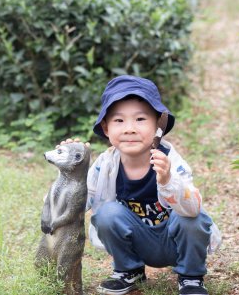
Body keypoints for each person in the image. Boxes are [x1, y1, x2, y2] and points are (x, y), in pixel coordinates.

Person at [61, 75, 221, 295]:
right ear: (106, 128)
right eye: (119, 121)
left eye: (140, 119)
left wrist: (167, 180)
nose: (129, 129)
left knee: (194, 219)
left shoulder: (170, 160)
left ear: (158, 125)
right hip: (138, 242)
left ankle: (191, 276)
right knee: (107, 213)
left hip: (174, 241)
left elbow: (193, 208)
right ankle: (129, 269)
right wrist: (71, 171)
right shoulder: (106, 165)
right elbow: (79, 201)